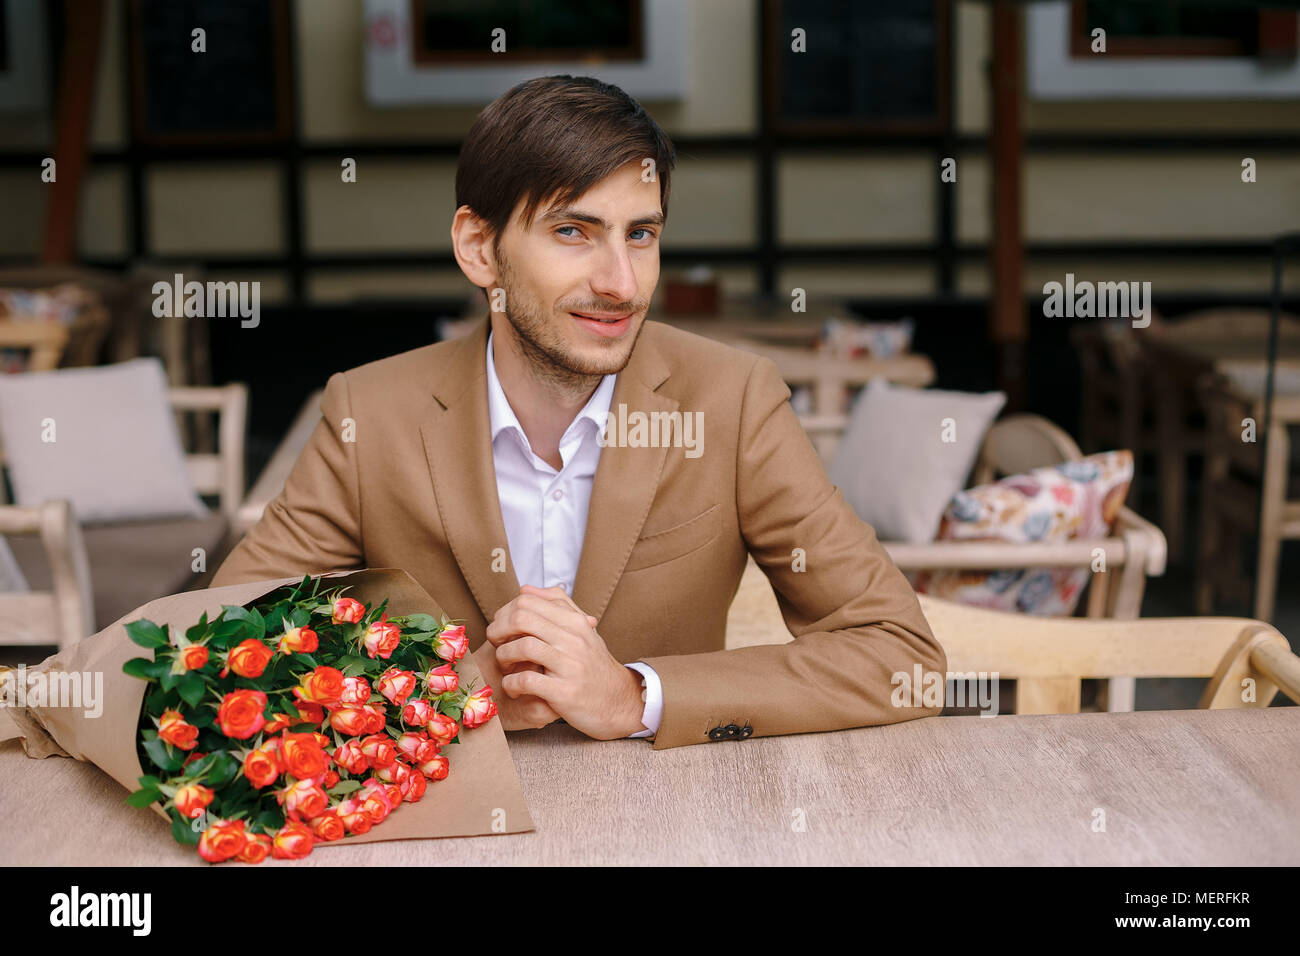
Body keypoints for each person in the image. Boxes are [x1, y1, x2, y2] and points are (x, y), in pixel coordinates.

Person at [211, 74, 946, 749]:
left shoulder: (733, 400)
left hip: (669, 829)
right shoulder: (368, 414)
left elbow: (898, 654)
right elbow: (216, 660)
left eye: (642, 235)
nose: (621, 283)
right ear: (478, 248)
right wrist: (453, 691)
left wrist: (635, 696)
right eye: (573, 231)